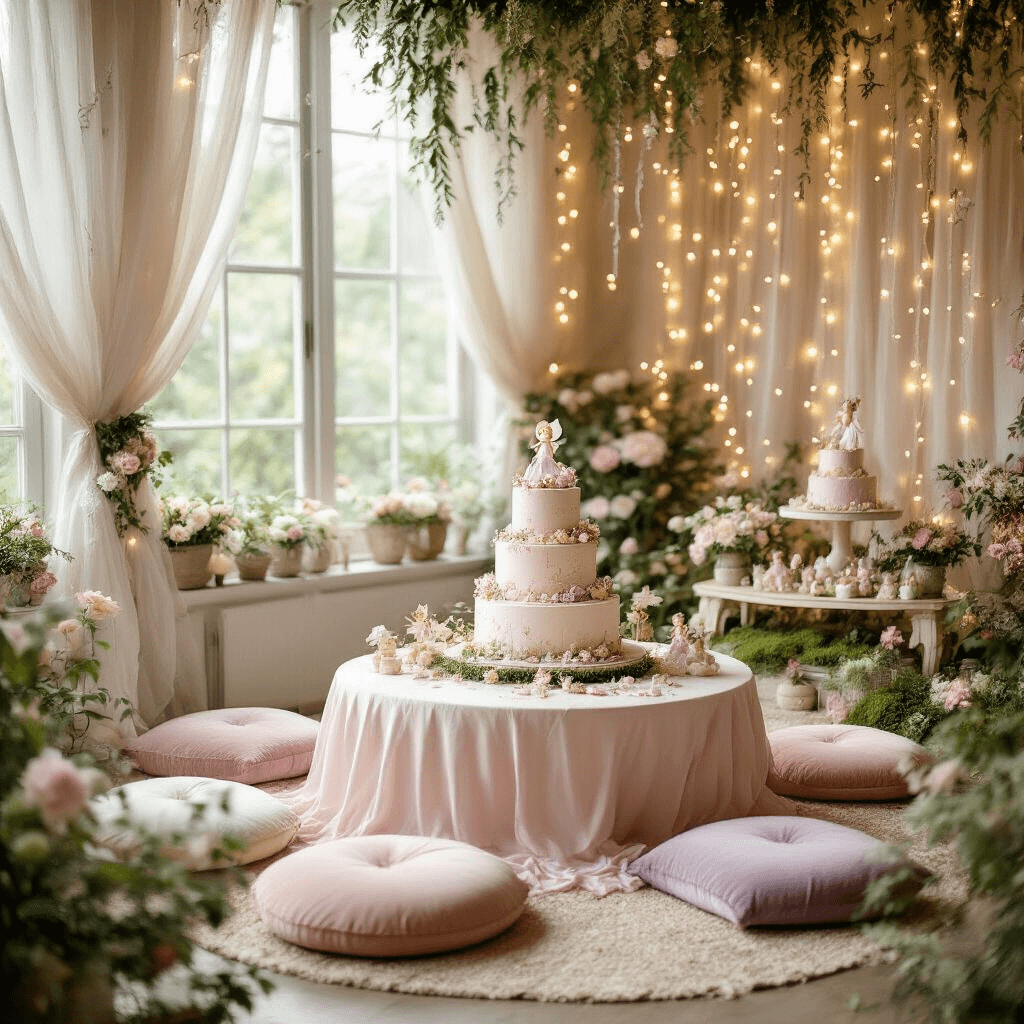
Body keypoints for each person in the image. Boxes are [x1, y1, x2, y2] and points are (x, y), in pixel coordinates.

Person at [522, 419, 564, 485]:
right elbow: (538, 447)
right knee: (540, 463)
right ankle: (539, 480)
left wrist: (551, 456)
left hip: (546, 452)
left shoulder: (549, 443)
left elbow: (550, 450)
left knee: (547, 463)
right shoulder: (542, 441)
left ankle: (548, 480)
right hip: (542, 452)